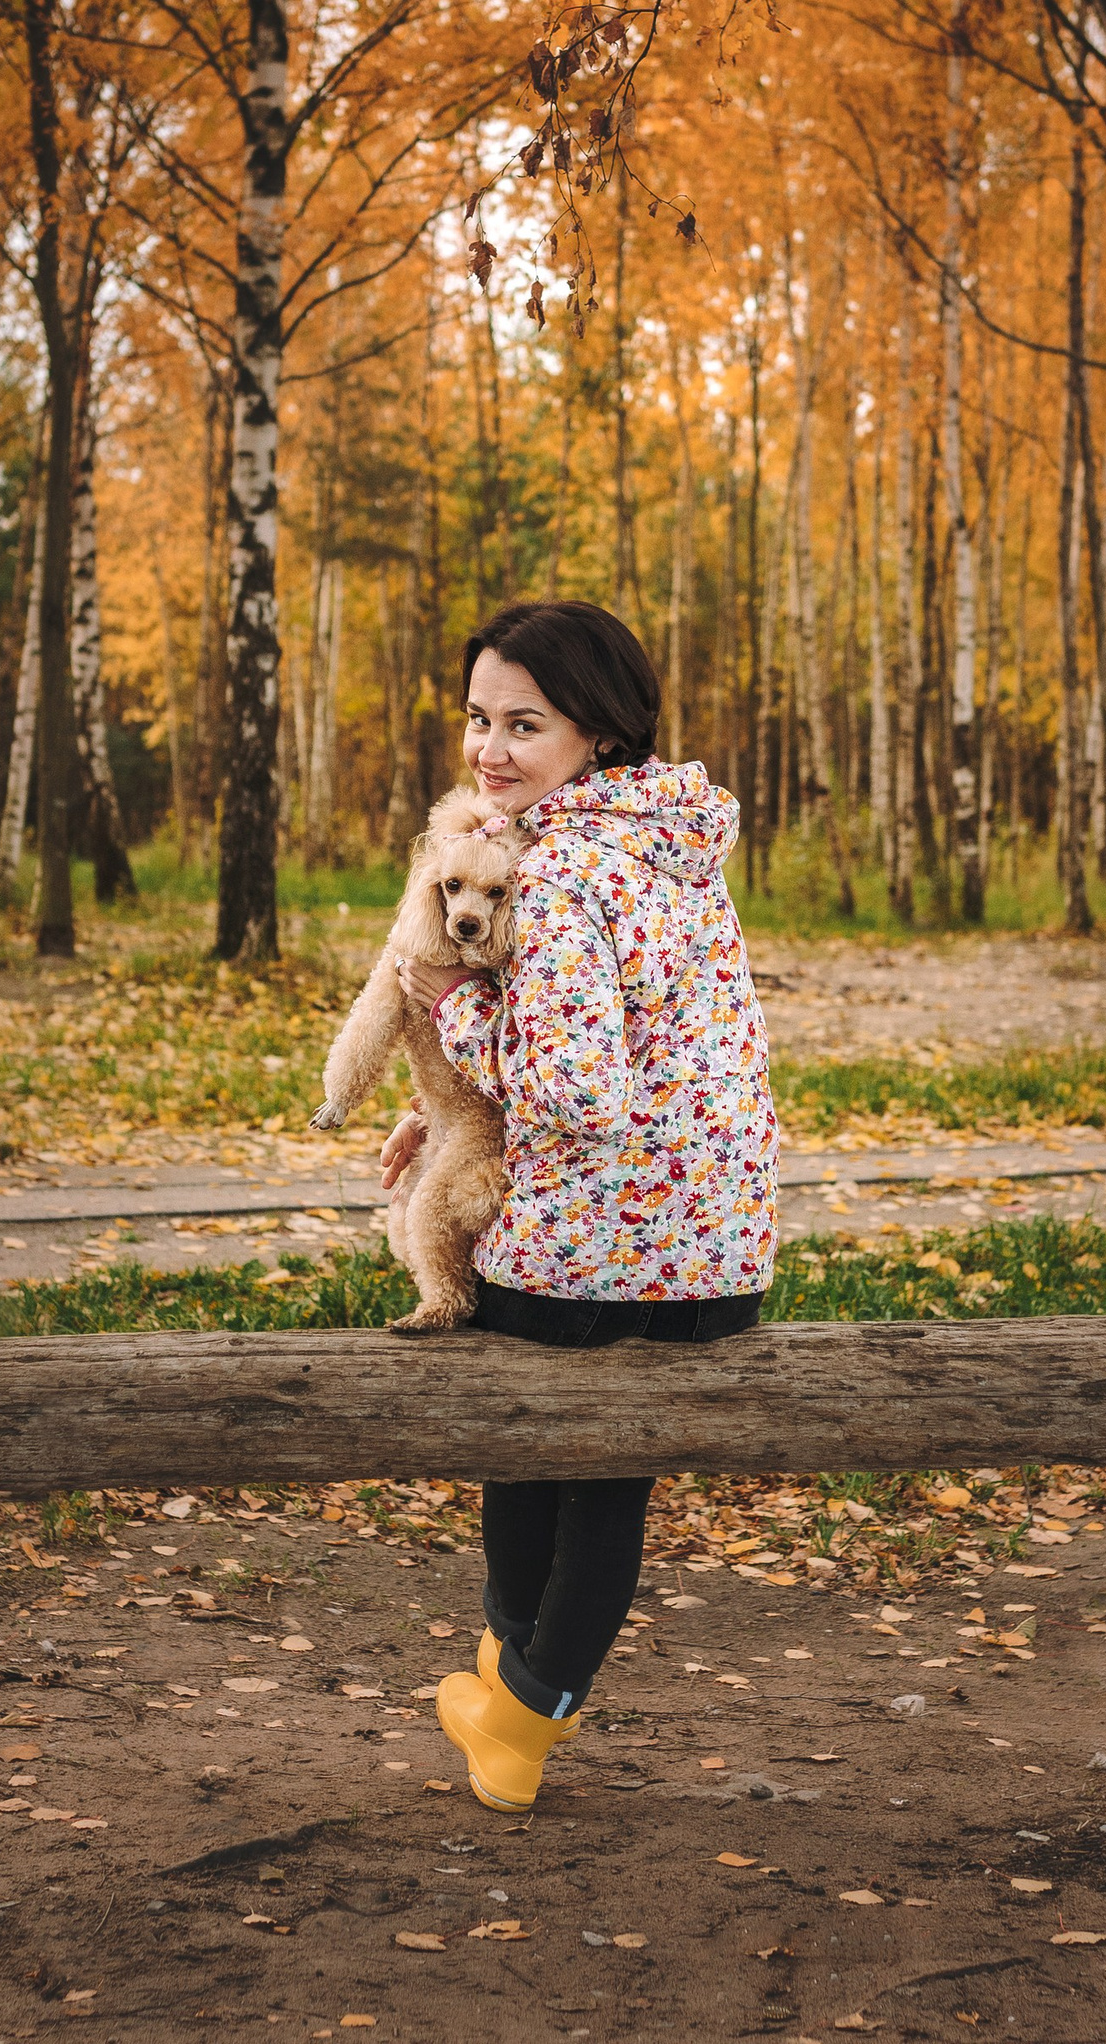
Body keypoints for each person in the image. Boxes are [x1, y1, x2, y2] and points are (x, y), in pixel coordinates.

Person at [379, 596, 778, 1812]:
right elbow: (662, 1046)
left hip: (589, 1253)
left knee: (523, 1446)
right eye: (476, 720)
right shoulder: (676, 847)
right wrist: (451, 1109)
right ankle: (519, 1699)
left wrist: (453, 1017)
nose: (490, 751)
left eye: (525, 724)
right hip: (716, 1249)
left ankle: (514, 1706)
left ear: (598, 733)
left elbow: (574, 1091)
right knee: (613, 1479)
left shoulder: (551, 873)